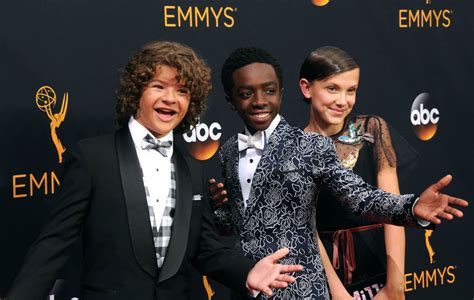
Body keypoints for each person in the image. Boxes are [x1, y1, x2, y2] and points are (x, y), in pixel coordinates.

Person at [3, 41, 303, 300]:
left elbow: (207, 249)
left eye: (183, 91)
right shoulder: (93, 158)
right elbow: (54, 243)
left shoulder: (194, 168)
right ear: (136, 92)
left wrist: (248, 271)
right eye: (158, 86)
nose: (170, 99)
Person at [212, 47, 467, 299]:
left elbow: (360, 197)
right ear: (231, 101)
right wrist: (216, 211)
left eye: (268, 91)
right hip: (249, 289)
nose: (259, 100)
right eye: (246, 93)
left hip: (306, 289)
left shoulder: (311, 145)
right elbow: (243, 222)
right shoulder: (229, 152)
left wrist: (411, 208)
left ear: (280, 93)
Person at [298, 45, 413, 299]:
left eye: (351, 90)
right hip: (326, 281)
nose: (343, 101)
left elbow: (394, 210)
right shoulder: (295, 149)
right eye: (332, 89)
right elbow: (308, 232)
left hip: (380, 273)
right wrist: (337, 294)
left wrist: (395, 286)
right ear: (307, 88)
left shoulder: (372, 129)